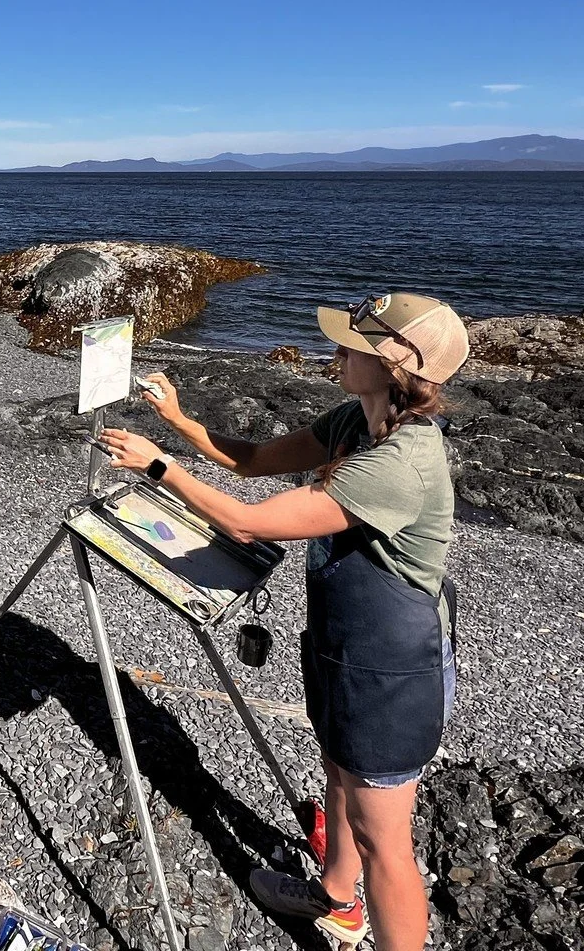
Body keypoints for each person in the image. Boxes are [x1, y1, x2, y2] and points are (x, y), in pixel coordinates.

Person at [96, 293, 469, 951]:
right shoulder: (356, 421)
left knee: (386, 843)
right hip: (342, 643)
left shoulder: (400, 464)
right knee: (339, 782)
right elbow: (253, 460)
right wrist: (179, 420)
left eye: (355, 345)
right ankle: (337, 902)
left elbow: (249, 522)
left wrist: (160, 466)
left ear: (395, 367)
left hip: (391, 671)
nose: (338, 350)